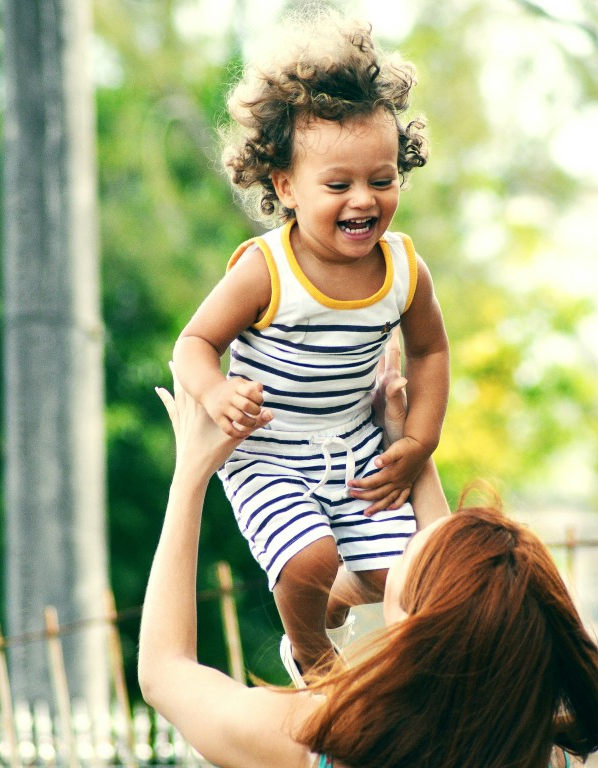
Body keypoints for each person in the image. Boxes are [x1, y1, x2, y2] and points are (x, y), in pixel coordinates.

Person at [137, 368, 598, 768]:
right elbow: (464, 607)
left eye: (408, 552)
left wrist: (191, 473)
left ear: (411, 628)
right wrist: (404, 445)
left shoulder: (317, 743)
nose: (402, 542)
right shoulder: (545, 752)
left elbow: (165, 671)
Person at [171, 10, 450, 683]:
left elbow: (432, 353)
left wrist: (418, 442)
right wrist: (216, 391)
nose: (364, 200)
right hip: (268, 450)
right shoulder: (267, 271)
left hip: (353, 443)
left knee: (400, 576)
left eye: (381, 180)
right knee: (308, 560)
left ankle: (334, 598)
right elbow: (193, 343)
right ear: (286, 187)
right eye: (338, 185)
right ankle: (312, 657)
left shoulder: (404, 269)